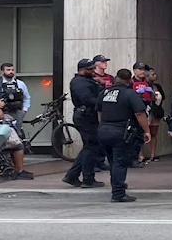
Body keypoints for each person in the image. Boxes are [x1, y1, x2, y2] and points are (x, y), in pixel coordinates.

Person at [98, 69, 150, 203]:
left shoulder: (105, 92)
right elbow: (140, 114)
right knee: (120, 162)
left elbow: (99, 111)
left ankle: (116, 185)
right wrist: (146, 131)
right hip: (121, 131)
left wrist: (103, 125)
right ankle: (118, 193)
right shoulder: (129, 94)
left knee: (112, 161)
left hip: (104, 130)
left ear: (116, 78)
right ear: (130, 80)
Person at [64, 59, 105, 189]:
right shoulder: (80, 82)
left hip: (89, 116)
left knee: (91, 147)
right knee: (91, 146)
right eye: (90, 69)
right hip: (86, 117)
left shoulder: (87, 81)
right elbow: (88, 99)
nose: (93, 71)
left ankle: (73, 175)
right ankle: (87, 178)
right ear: (82, 70)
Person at [128, 63, 155, 168]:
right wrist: (137, 93)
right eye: (140, 69)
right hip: (133, 110)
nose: (143, 71)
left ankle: (137, 158)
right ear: (134, 71)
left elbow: (152, 98)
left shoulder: (148, 82)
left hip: (145, 108)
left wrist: (151, 92)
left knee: (141, 134)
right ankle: (133, 158)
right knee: (133, 134)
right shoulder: (130, 82)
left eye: (144, 69)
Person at [141, 69, 165, 164]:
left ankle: (153, 154)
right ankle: (141, 155)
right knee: (143, 133)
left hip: (156, 110)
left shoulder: (157, 86)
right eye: (152, 74)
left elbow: (162, 97)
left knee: (154, 133)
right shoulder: (142, 85)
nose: (155, 76)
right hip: (145, 110)